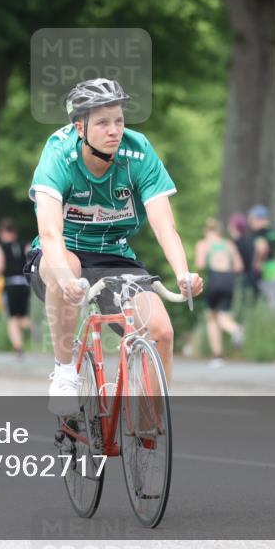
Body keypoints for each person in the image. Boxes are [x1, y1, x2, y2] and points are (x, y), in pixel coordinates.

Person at [23, 77, 202, 415]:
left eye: (118, 120)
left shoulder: (139, 152)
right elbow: (49, 233)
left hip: (114, 256)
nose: (114, 130)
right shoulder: (58, 153)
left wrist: (183, 273)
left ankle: (148, 430)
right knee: (68, 267)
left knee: (161, 331)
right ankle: (64, 374)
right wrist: (67, 279)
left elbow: (164, 225)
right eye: (103, 123)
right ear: (80, 127)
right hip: (62, 254)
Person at [193, 217, 244, 368]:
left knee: (211, 317)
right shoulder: (228, 244)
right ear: (219, 231)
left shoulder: (203, 244)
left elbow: (200, 264)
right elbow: (239, 266)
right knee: (222, 315)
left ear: (206, 230)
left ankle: (218, 355)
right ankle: (235, 329)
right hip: (229, 279)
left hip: (214, 278)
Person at [0, 218, 31, 360]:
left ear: (2, 232)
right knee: (23, 317)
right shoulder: (24, 244)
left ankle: (18, 348)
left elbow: (0, 266)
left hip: (10, 284)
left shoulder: (0, 246)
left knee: (13, 319)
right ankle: (34, 330)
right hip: (24, 284)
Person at [248, 205, 275, 308]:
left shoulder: (259, 234)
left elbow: (262, 248)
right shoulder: (274, 233)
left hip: (264, 271)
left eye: (252, 219)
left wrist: (259, 262)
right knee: (274, 302)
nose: (250, 222)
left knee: (262, 303)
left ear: (260, 219)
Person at [228, 212, 257, 311]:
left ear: (234, 226)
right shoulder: (249, 240)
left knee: (239, 307)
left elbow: (237, 266)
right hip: (251, 277)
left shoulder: (234, 244)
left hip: (239, 279)